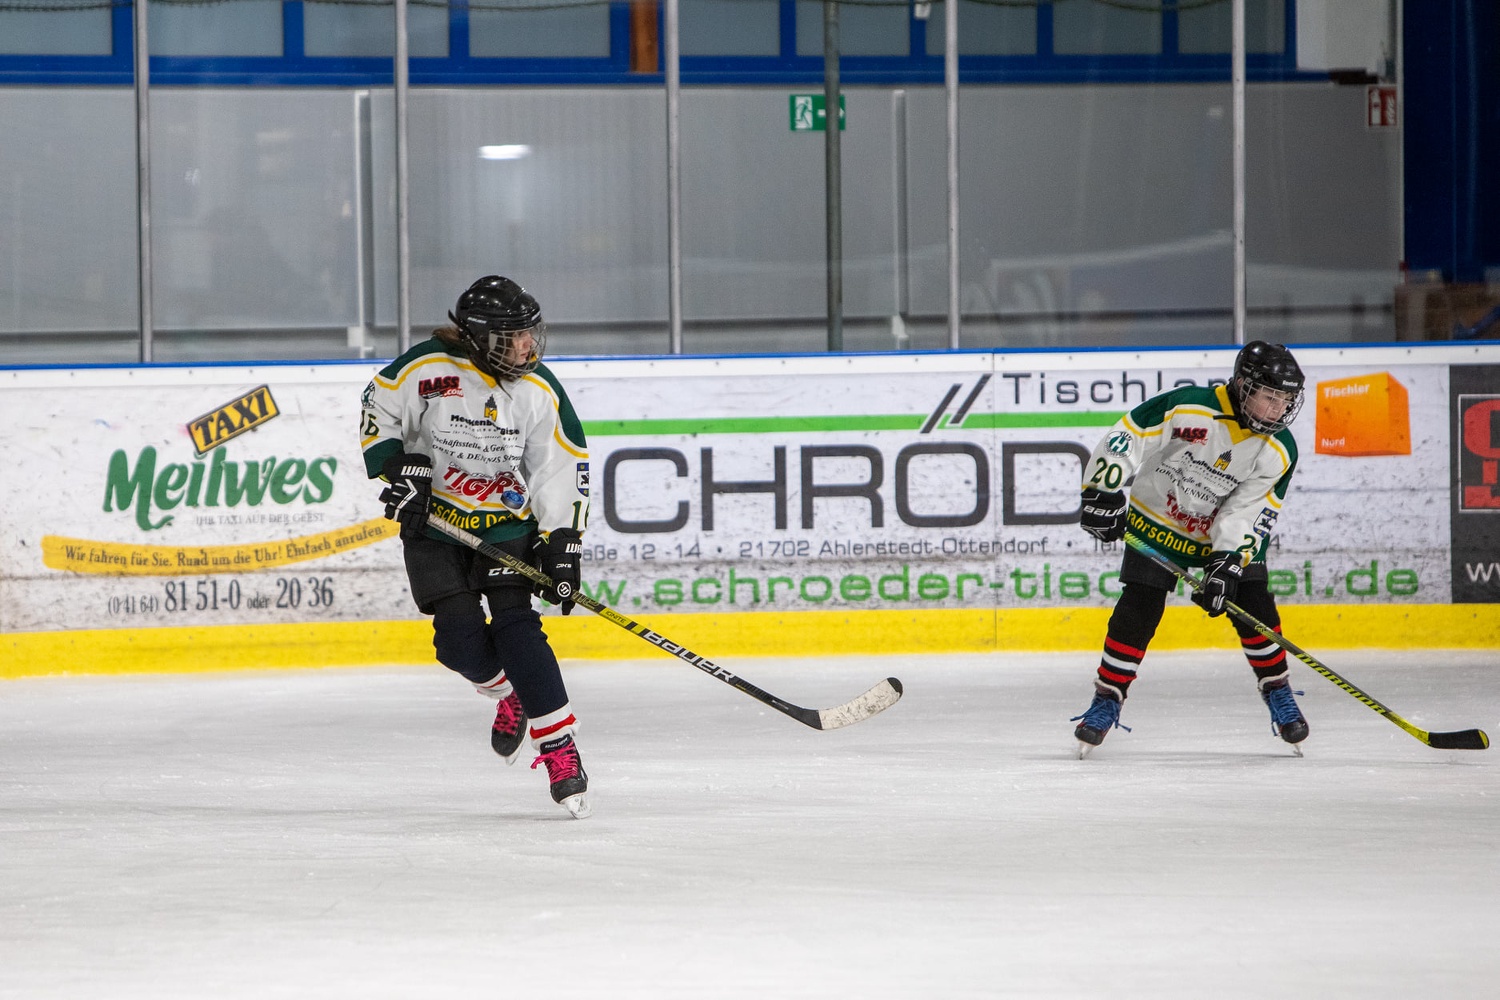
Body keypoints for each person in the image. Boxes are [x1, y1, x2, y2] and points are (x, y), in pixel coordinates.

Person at [360, 275, 592, 817]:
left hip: (507, 524)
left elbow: (560, 463)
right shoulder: (424, 369)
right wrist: (399, 467)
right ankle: (510, 694)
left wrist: (562, 539)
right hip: (436, 525)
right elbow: (378, 412)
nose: (528, 346)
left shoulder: (538, 387)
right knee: (458, 643)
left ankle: (559, 747)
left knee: (517, 628)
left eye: (531, 333)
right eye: (515, 337)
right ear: (481, 338)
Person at [1070, 341, 1309, 757]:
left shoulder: (1279, 449)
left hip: (1220, 533)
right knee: (1139, 605)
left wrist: (1227, 562)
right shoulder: (1190, 407)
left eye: (1285, 400)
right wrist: (1102, 489)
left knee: (1254, 604)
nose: (1279, 409)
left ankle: (1277, 689)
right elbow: (1130, 435)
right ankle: (1107, 697)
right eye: (1270, 397)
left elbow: (1248, 511)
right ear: (1243, 385)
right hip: (1159, 519)